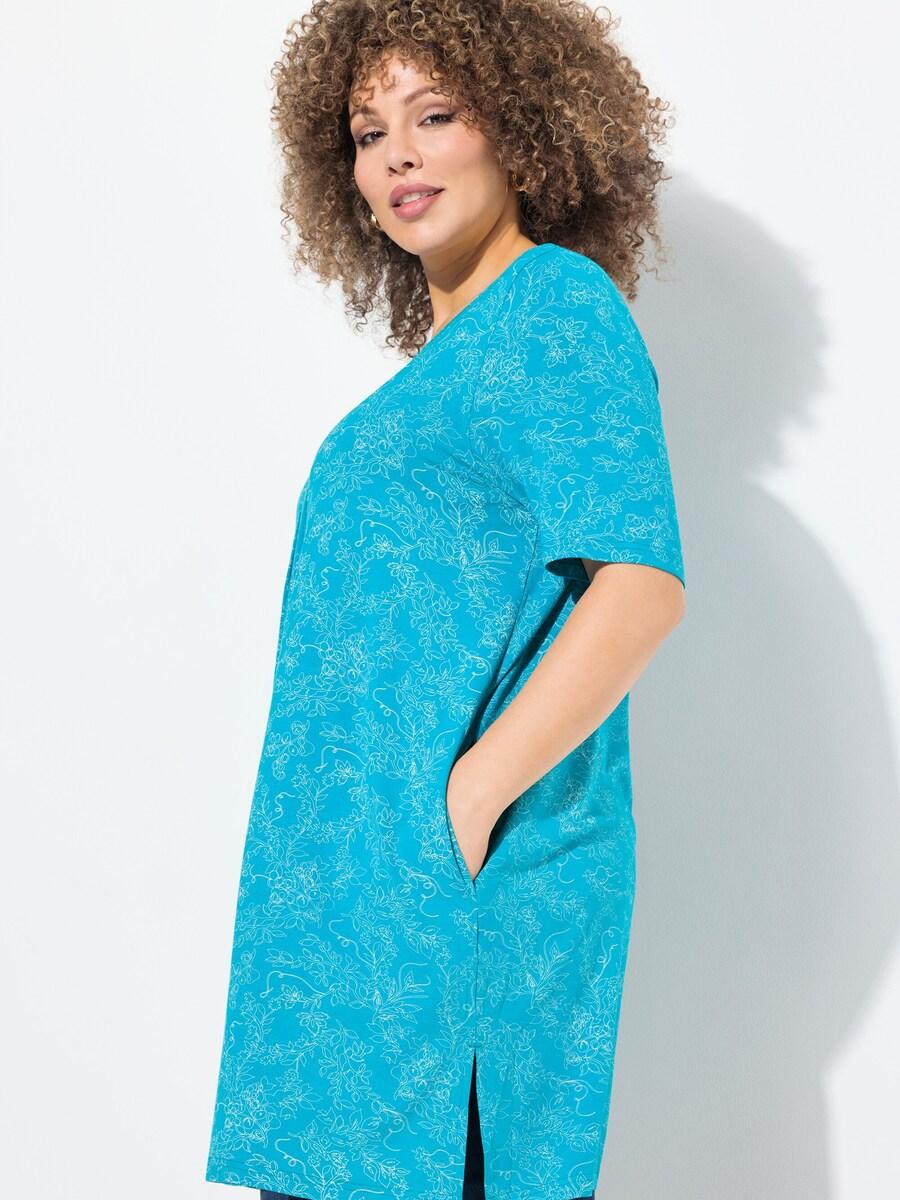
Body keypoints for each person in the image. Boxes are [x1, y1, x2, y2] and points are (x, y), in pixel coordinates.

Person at [205, 2, 687, 1199]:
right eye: (370, 132)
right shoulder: (426, 380)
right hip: (339, 916)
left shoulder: (557, 306)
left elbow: (640, 586)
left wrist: (466, 801)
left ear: (522, 126)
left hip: (452, 905)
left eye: (436, 115)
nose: (399, 156)